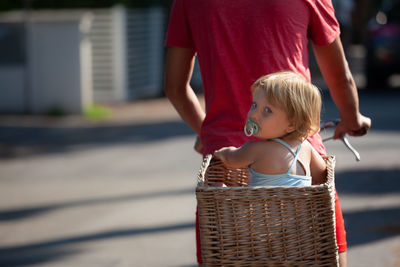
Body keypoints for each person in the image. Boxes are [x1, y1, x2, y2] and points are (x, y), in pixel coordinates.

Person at [163, 1, 371, 266]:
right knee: (324, 254)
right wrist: (352, 118)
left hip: (224, 178)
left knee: (224, 253)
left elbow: (174, 87)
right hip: (300, 162)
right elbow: (342, 78)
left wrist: (208, 134)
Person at [214, 71, 327, 187]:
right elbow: (322, 175)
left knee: (218, 187)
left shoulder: (255, 149)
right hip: (300, 205)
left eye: (267, 110)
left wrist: (222, 153)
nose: (254, 114)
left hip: (262, 205)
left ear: (291, 124)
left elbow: (231, 159)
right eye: (254, 105)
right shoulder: (305, 148)